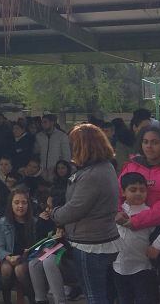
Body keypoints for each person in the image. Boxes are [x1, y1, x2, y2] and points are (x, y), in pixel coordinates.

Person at [51, 123, 121, 304]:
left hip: (90, 243)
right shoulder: (106, 167)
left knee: (94, 295)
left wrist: (55, 213)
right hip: (104, 238)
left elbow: (75, 208)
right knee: (105, 293)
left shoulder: (92, 174)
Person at [118, 125, 160, 304]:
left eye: (155, 142)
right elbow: (117, 195)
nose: (149, 146)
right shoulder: (132, 165)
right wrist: (119, 216)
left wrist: (136, 221)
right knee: (140, 287)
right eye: (145, 142)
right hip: (130, 235)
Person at [0, 188, 53, 304]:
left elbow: (39, 246)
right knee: (6, 269)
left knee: (19, 269)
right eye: (16, 203)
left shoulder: (35, 222)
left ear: (28, 205)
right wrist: (8, 257)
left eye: (24, 202)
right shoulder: (3, 222)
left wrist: (25, 255)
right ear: (10, 204)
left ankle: (34, 299)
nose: (20, 206)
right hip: (9, 258)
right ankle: (6, 300)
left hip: (28, 258)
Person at [113, 172, 159, 304]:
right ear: (123, 192)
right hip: (118, 267)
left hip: (142, 267)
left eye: (142, 190)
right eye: (133, 190)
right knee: (124, 299)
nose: (138, 193)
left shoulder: (149, 212)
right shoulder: (118, 212)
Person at [36, 114, 71, 181]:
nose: (43, 124)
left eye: (45, 122)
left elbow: (66, 155)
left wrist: (62, 170)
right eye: (42, 122)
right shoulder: (39, 136)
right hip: (42, 171)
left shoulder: (62, 136)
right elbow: (37, 152)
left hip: (56, 171)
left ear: (52, 122)